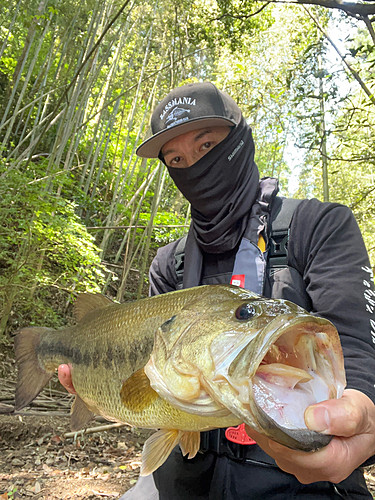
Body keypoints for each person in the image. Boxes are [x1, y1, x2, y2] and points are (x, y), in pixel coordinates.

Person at [58, 82, 375, 499]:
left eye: (206, 146)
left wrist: (362, 418)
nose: (194, 166)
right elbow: (147, 392)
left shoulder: (319, 227)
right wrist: (101, 389)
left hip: (302, 484)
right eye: (176, 159)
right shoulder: (167, 264)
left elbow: (355, 347)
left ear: (240, 141)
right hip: (185, 479)